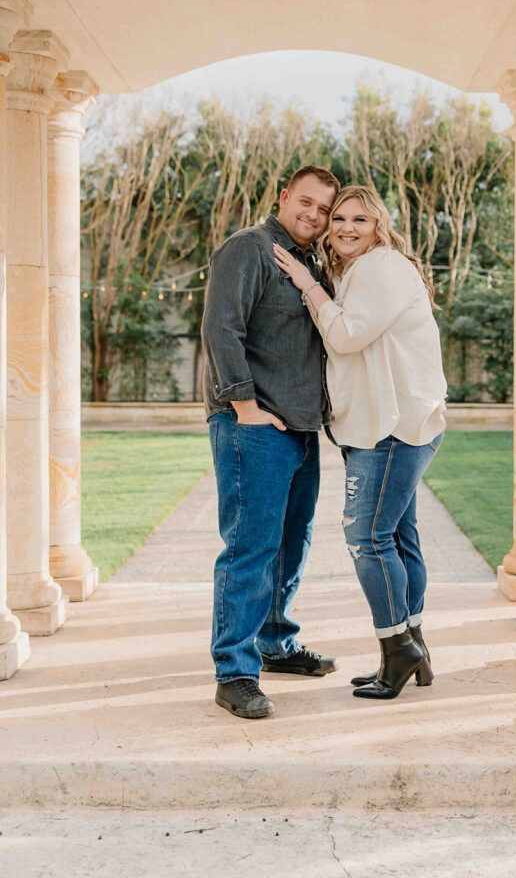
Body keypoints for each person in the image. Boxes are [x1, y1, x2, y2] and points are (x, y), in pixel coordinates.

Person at [273, 184, 447, 700]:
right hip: (397, 423)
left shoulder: (379, 268)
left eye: (360, 220)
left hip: (390, 427)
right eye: (339, 218)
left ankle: (398, 649)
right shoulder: (362, 271)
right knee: (397, 537)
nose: (347, 227)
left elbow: (346, 336)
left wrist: (308, 285)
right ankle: (413, 646)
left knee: (366, 538)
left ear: (379, 227)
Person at [201, 165, 341, 720]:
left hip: (301, 428)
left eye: (323, 210)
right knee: (250, 547)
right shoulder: (249, 248)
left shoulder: (309, 263)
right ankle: (234, 670)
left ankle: (275, 641)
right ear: (284, 197)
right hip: (254, 427)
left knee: (292, 543)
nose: (313, 215)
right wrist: (246, 409)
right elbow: (221, 329)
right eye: (305, 203)